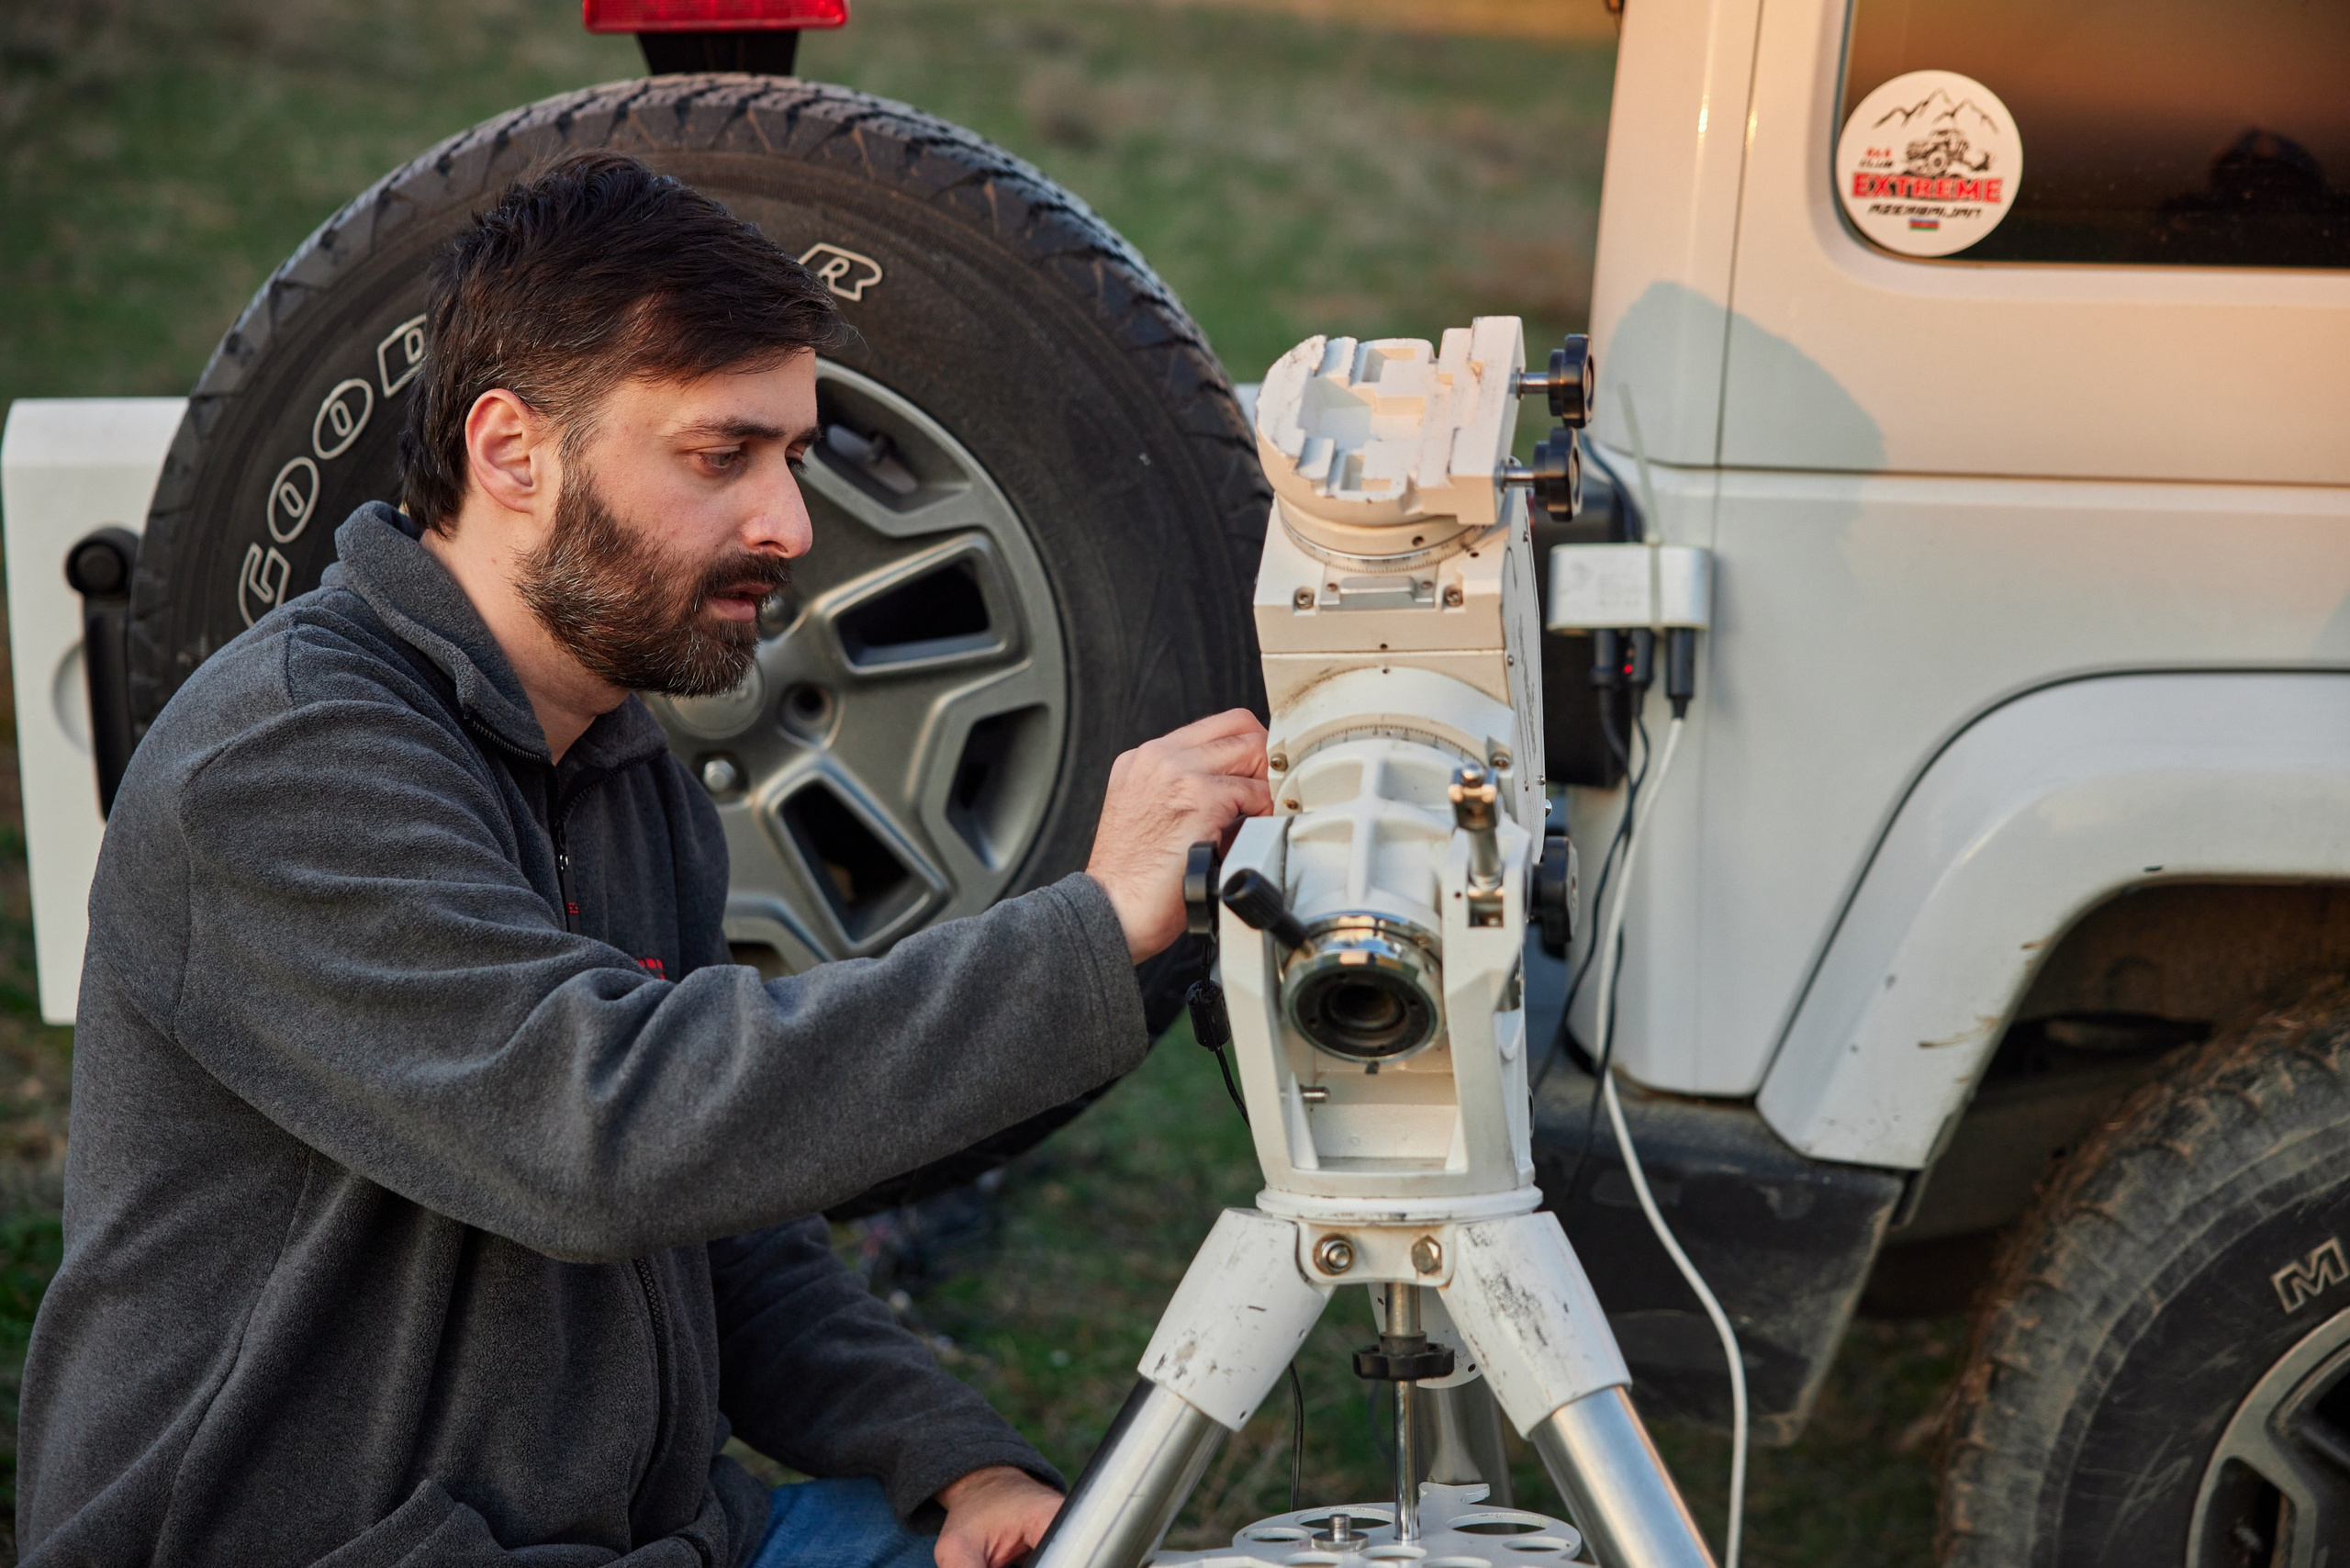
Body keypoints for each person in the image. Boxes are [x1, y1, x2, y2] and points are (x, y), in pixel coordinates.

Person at [16, 151, 1269, 1568]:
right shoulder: (284, 760)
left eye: (794, 455)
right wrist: (1091, 929)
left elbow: (718, 1232)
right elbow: (601, 1134)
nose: (789, 524)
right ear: (511, 453)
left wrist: (949, 1457)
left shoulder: (615, 763)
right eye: (719, 455)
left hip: (648, 1535)